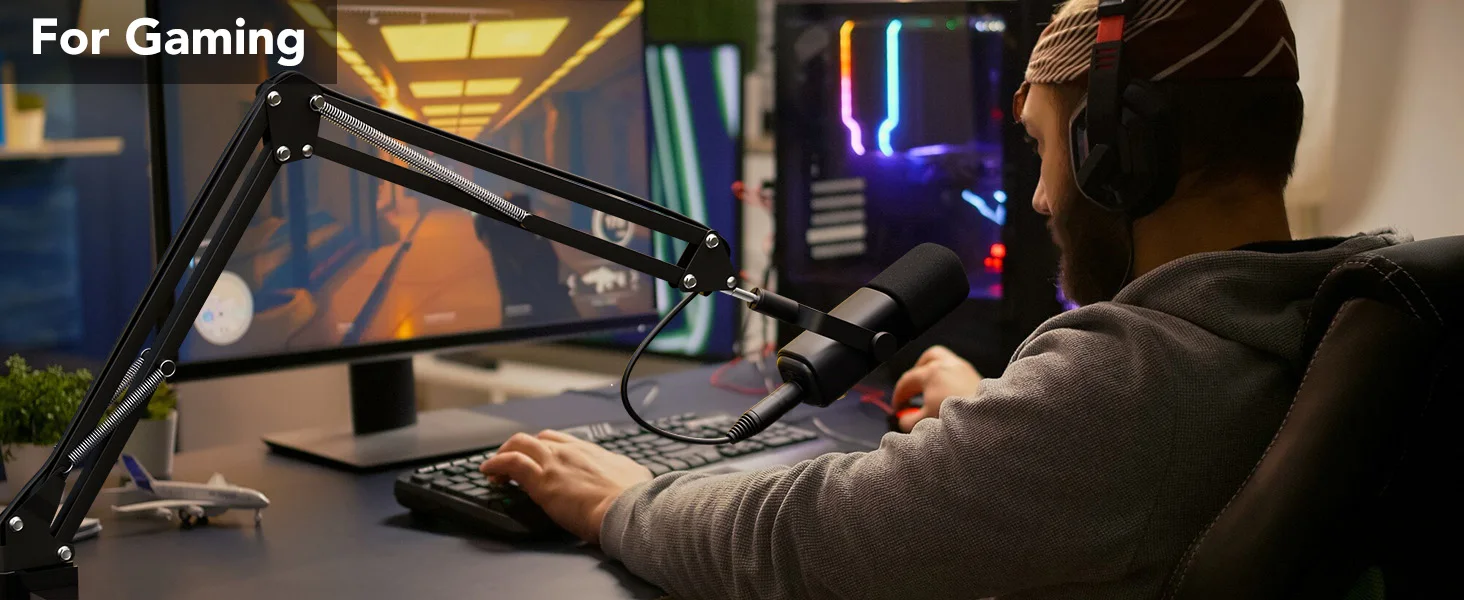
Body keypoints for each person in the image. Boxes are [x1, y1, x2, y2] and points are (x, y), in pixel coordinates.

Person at [480, 1, 1407, 597]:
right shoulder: (1347, 309)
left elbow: (804, 541)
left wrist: (624, 503)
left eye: (1043, 148)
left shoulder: (1134, 380)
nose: (1038, 198)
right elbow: (1119, 456)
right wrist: (1006, 417)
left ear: (1117, 153)